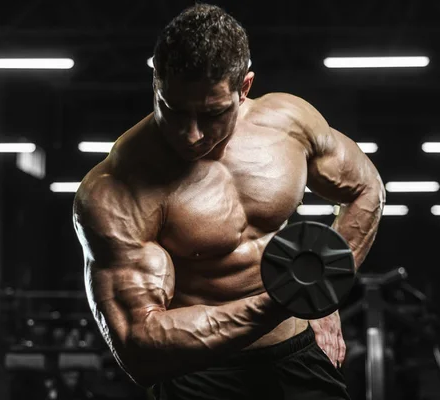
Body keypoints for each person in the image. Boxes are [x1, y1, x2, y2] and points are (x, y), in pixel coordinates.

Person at [73, 4, 385, 399]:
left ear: (245, 88)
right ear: (156, 82)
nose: (190, 135)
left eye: (212, 114)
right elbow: (138, 346)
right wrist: (289, 300)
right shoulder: (115, 187)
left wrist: (324, 293)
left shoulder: (288, 124)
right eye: (173, 109)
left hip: (297, 356)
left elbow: (366, 188)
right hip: (198, 375)